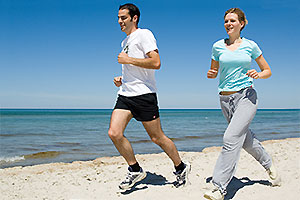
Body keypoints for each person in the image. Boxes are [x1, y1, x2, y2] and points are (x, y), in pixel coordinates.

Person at [108, 3, 191, 191]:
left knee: (157, 137)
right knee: (114, 133)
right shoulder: (125, 41)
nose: (119, 21)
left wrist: (127, 60)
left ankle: (181, 167)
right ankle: (135, 169)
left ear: (134, 18)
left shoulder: (144, 34)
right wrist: (123, 78)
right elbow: (136, 68)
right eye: (118, 18)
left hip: (144, 95)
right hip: (126, 94)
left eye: (123, 18)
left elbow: (156, 62)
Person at [204, 8, 281, 200]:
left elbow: (267, 70)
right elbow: (213, 70)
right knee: (245, 140)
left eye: (232, 21)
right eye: (226, 21)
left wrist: (258, 74)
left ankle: (219, 187)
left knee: (230, 138)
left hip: (246, 96)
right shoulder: (217, 46)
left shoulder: (250, 45)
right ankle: (269, 165)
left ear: (242, 23)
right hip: (224, 98)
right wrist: (211, 73)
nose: (228, 24)